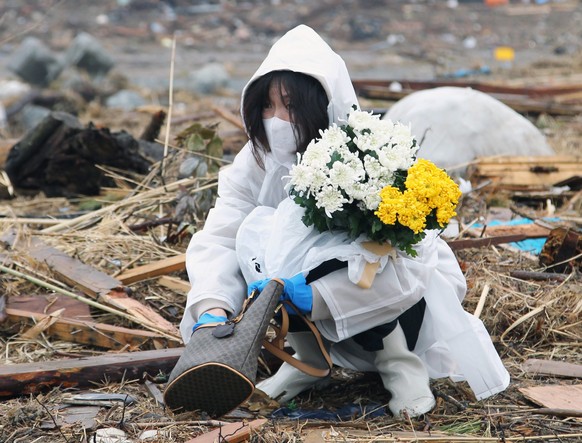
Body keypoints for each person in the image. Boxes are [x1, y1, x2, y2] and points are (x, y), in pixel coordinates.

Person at [181, 24, 510, 418]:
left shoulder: (367, 155)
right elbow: (222, 233)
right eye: (267, 107)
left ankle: (400, 366)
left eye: (289, 106)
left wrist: (321, 294)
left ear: (318, 103)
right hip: (298, 298)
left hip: (394, 305)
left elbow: (410, 260)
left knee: (368, 249)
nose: (277, 119)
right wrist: (213, 306)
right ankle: (307, 362)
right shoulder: (255, 162)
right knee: (260, 229)